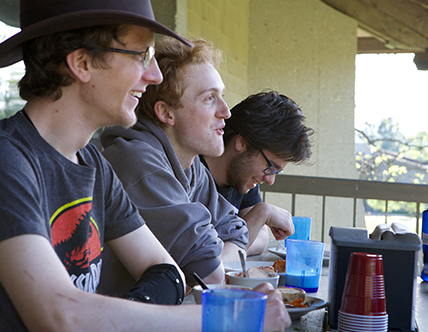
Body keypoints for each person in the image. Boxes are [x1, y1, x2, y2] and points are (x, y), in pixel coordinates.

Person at [0, 1, 290, 331]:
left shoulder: (93, 164)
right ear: (82, 63)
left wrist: (123, 316)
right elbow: (59, 314)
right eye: (141, 55)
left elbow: (166, 271)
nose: (153, 76)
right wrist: (230, 317)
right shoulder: (9, 161)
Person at [100, 37, 294, 289]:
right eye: (209, 98)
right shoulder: (140, 163)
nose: (226, 111)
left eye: (221, 96)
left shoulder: (191, 167)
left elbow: (237, 233)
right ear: (167, 113)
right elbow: (209, 273)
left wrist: (214, 256)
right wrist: (214, 257)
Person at [200, 91, 314, 255]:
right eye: (271, 167)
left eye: (276, 172)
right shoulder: (191, 174)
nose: (270, 180)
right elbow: (205, 257)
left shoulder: (243, 177)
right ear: (243, 142)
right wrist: (262, 213)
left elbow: (261, 237)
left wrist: (232, 247)